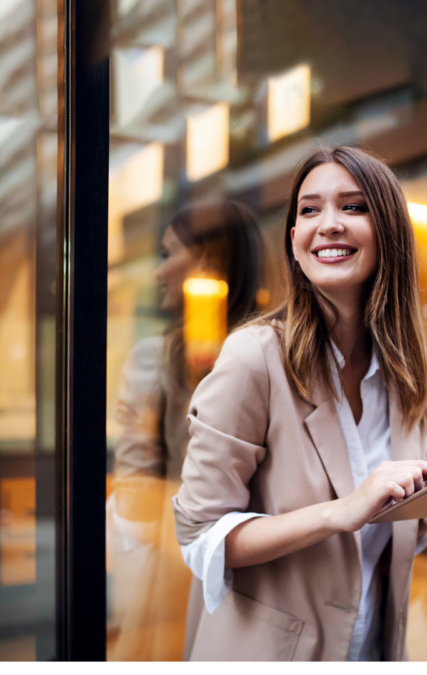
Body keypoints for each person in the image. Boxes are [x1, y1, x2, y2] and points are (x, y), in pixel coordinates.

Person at [171, 145, 427, 661]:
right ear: (294, 240)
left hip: (371, 646)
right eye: (310, 210)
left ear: (390, 234)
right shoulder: (254, 358)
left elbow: (380, 525)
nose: (327, 224)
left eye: (353, 207)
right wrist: (341, 512)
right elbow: (199, 538)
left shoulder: (411, 366)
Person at [108, 200, 265, 661]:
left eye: (166, 253)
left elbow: (137, 497)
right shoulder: (282, 353)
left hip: (187, 569)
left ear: (206, 260)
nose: (159, 272)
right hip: (275, 566)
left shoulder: (155, 359)